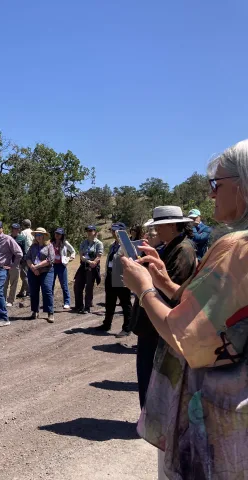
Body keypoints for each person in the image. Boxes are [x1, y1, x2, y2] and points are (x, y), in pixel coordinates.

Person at [121, 139, 248, 479]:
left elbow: (185, 336)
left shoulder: (237, 247)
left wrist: (143, 288)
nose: (211, 194)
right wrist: (166, 284)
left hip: (216, 422)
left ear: (243, 185)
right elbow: (225, 312)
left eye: (216, 185)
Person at [131, 206, 197, 409]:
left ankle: (152, 422)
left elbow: (171, 292)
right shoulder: (173, 247)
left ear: (171, 225)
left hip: (160, 326)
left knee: (152, 376)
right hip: (154, 325)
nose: (157, 231)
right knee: (147, 374)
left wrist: (141, 280)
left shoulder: (183, 250)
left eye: (159, 226)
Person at [96, 223, 132, 336]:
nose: (113, 233)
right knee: (109, 302)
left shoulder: (127, 245)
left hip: (122, 277)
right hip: (111, 275)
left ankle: (127, 328)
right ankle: (107, 324)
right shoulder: (113, 244)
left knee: (125, 303)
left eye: (116, 231)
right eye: (112, 231)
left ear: (122, 232)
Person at [26, 228, 56, 323]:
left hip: (46, 271)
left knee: (47, 290)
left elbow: (50, 260)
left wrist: (37, 267)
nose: (38, 237)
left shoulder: (49, 246)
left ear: (44, 236)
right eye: (36, 235)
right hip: (33, 271)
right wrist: (33, 268)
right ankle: (35, 311)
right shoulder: (33, 246)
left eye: (40, 235)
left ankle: (50, 312)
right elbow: (27, 258)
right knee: (33, 292)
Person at [73, 225, 104, 314]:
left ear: (95, 232)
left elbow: (99, 256)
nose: (89, 232)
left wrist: (93, 263)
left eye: (91, 230)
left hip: (93, 267)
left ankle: (87, 307)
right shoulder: (84, 242)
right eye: (88, 231)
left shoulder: (99, 243)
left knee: (89, 287)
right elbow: (81, 255)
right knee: (77, 284)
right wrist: (88, 261)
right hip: (84, 265)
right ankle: (79, 305)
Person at [51, 228, 76, 310]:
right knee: (51, 285)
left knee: (64, 285)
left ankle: (67, 302)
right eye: (56, 233)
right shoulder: (51, 243)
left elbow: (73, 251)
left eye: (59, 234)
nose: (57, 235)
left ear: (62, 235)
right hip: (52, 266)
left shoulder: (65, 243)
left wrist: (71, 257)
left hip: (62, 266)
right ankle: (49, 301)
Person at [4, 223, 26, 307]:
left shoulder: (22, 238)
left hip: (16, 264)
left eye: (17, 229)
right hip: (6, 263)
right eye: (14, 229)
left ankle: (11, 300)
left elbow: (23, 252)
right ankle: (3, 300)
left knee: (14, 283)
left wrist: (20, 263)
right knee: (4, 283)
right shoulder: (7, 237)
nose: (15, 230)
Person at [17, 219, 34, 298]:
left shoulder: (23, 233)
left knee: (24, 275)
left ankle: (29, 291)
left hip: (26, 256)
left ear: (23, 225)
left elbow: (21, 245)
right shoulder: (32, 232)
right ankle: (21, 292)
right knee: (27, 274)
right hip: (33, 255)